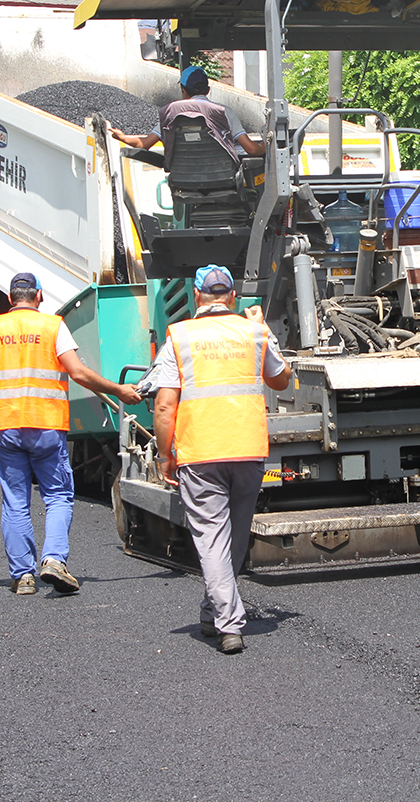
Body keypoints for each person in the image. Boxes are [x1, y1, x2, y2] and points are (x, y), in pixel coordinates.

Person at [0, 272, 142, 595]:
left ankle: (23, 576)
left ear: (10, 299)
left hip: (5, 427)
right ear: (39, 296)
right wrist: (119, 390)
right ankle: (53, 560)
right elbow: (78, 373)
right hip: (46, 427)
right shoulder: (54, 326)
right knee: (57, 496)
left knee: (15, 501)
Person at [150, 264, 289, 654]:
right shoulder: (254, 331)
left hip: (201, 450)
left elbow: (164, 406)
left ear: (197, 296)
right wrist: (265, 330)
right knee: (236, 537)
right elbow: (282, 379)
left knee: (212, 539)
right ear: (231, 296)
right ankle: (213, 613)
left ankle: (229, 623)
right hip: (247, 448)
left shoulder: (179, 335)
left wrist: (165, 455)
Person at [108, 65, 263, 162]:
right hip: (223, 178)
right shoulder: (223, 112)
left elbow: (144, 144)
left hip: (182, 181)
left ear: (184, 90)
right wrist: (266, 147)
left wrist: (122, 137)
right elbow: (252, 150)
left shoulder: (171, 113)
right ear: (208, 90)